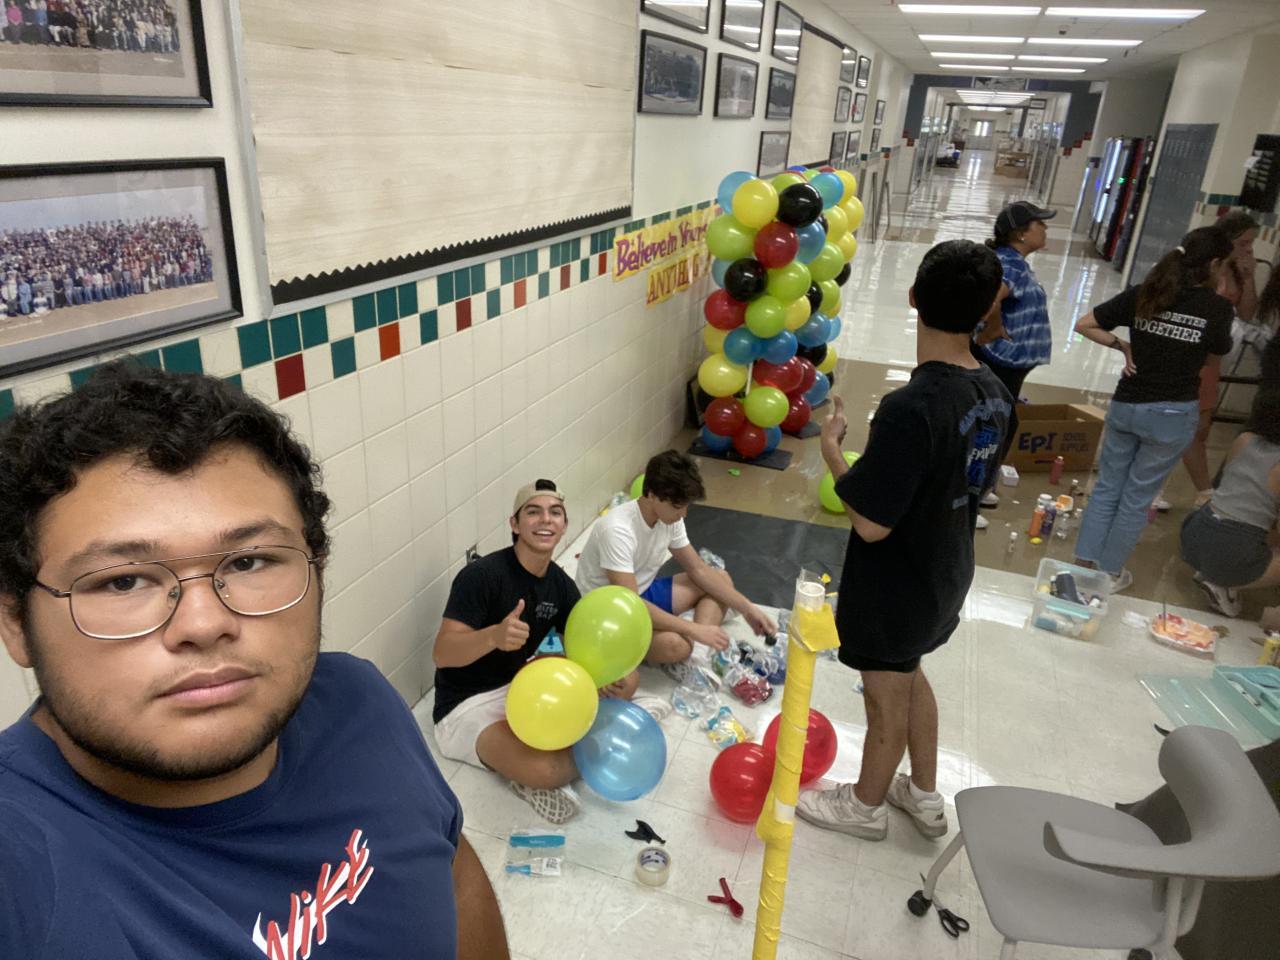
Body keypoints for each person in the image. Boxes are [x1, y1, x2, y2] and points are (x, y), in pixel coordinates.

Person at [0, 363, 507, 960]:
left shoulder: (358, 699)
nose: (203, 623)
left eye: (248, 562)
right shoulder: (22, 866)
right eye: (122, 580)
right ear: (16, 623)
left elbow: (448, 867)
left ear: (317, 569)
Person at [797, 239, 1011, 841]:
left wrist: (833, 451)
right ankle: (921, 792)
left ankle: (864, 806)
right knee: (911, 675)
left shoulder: (911, 406)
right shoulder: (996, 393)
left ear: (913, 297)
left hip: (896, 585)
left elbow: (871, 521)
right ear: (985, 310)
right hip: (948, 568)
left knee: (883, 696)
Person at [432, 479, 655, 824]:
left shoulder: (561, 586)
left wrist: (602, 680)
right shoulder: (481, 576)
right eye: (533, 512)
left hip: (522, 687)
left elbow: (580, 649)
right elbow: (442, 653)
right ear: (515, 524)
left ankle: (588, 738)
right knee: (548, 769)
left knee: (628, 680)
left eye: (555, 513)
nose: (545, 520)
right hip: (466, 705)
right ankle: (557, 762)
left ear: (565, 526)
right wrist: (493, 636)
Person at [1072, 227, 1234, 591]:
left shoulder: (1147, 292)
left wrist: (1124, 346)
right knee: (1136, 498)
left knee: (1107, 488)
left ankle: (1083, 566)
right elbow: (1213, 359)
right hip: (1172, 414)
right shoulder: (1218, 309)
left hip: (1128, 404)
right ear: (1213, 264)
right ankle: (1108, 575)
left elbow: (1085, 324)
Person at [574, 450, 777, 681]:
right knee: (675, 646)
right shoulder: (617, 530)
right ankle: (689, 638)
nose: (683, 514)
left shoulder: (669, 517)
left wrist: (748, 609)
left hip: (641, 592)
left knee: (720, 578)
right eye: (678, 506)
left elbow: (698, 569)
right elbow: (631, 604)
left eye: (686, 506)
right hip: (609, 612)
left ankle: (697, 656)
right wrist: (693, 629)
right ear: (652, 494)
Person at [972, 201, 1054, 520]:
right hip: (1001, 360)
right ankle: (973, 493)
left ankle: (980, 487)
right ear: (1020, 233)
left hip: (1010, 363)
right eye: (1039, 224)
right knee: (994, 425)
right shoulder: (1010, 264)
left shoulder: (1014, 262)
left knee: (998, 422)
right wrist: (993, 328)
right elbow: (990, 300)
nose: (1045, 229)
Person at [1173, 211, 1261, 508]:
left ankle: (1202, 491)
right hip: (1190, 353)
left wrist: (1248, 277)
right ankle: (1204, 491)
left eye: (1251, 244)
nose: (1249, 250)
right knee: (1188, 424)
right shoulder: (1201, 267)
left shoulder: (1238, 271)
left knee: (1200, 426)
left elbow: (1247, 313)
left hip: (1213, 357)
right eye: (1244, 243)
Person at [1180, 383, 1280, 617]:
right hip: (1233, 546)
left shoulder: (1244, 439)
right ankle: (1223, 581)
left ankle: (1214, 570)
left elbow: (1225, 486)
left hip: (1195, 532)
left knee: (1249, 528)